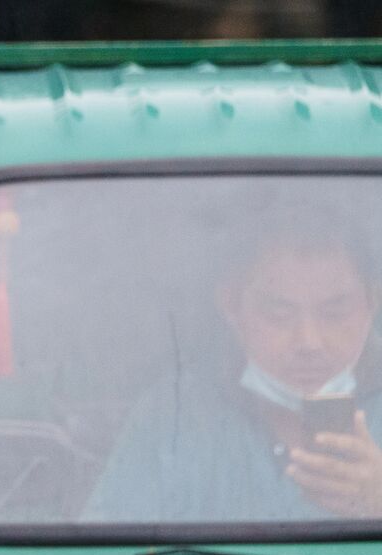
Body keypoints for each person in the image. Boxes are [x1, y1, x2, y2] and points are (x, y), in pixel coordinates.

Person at [84, 210, 382, 523]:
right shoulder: (172, 416)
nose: (309, 342)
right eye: (280, 315)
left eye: (335, 313)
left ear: (373, 301)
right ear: (231, 304)